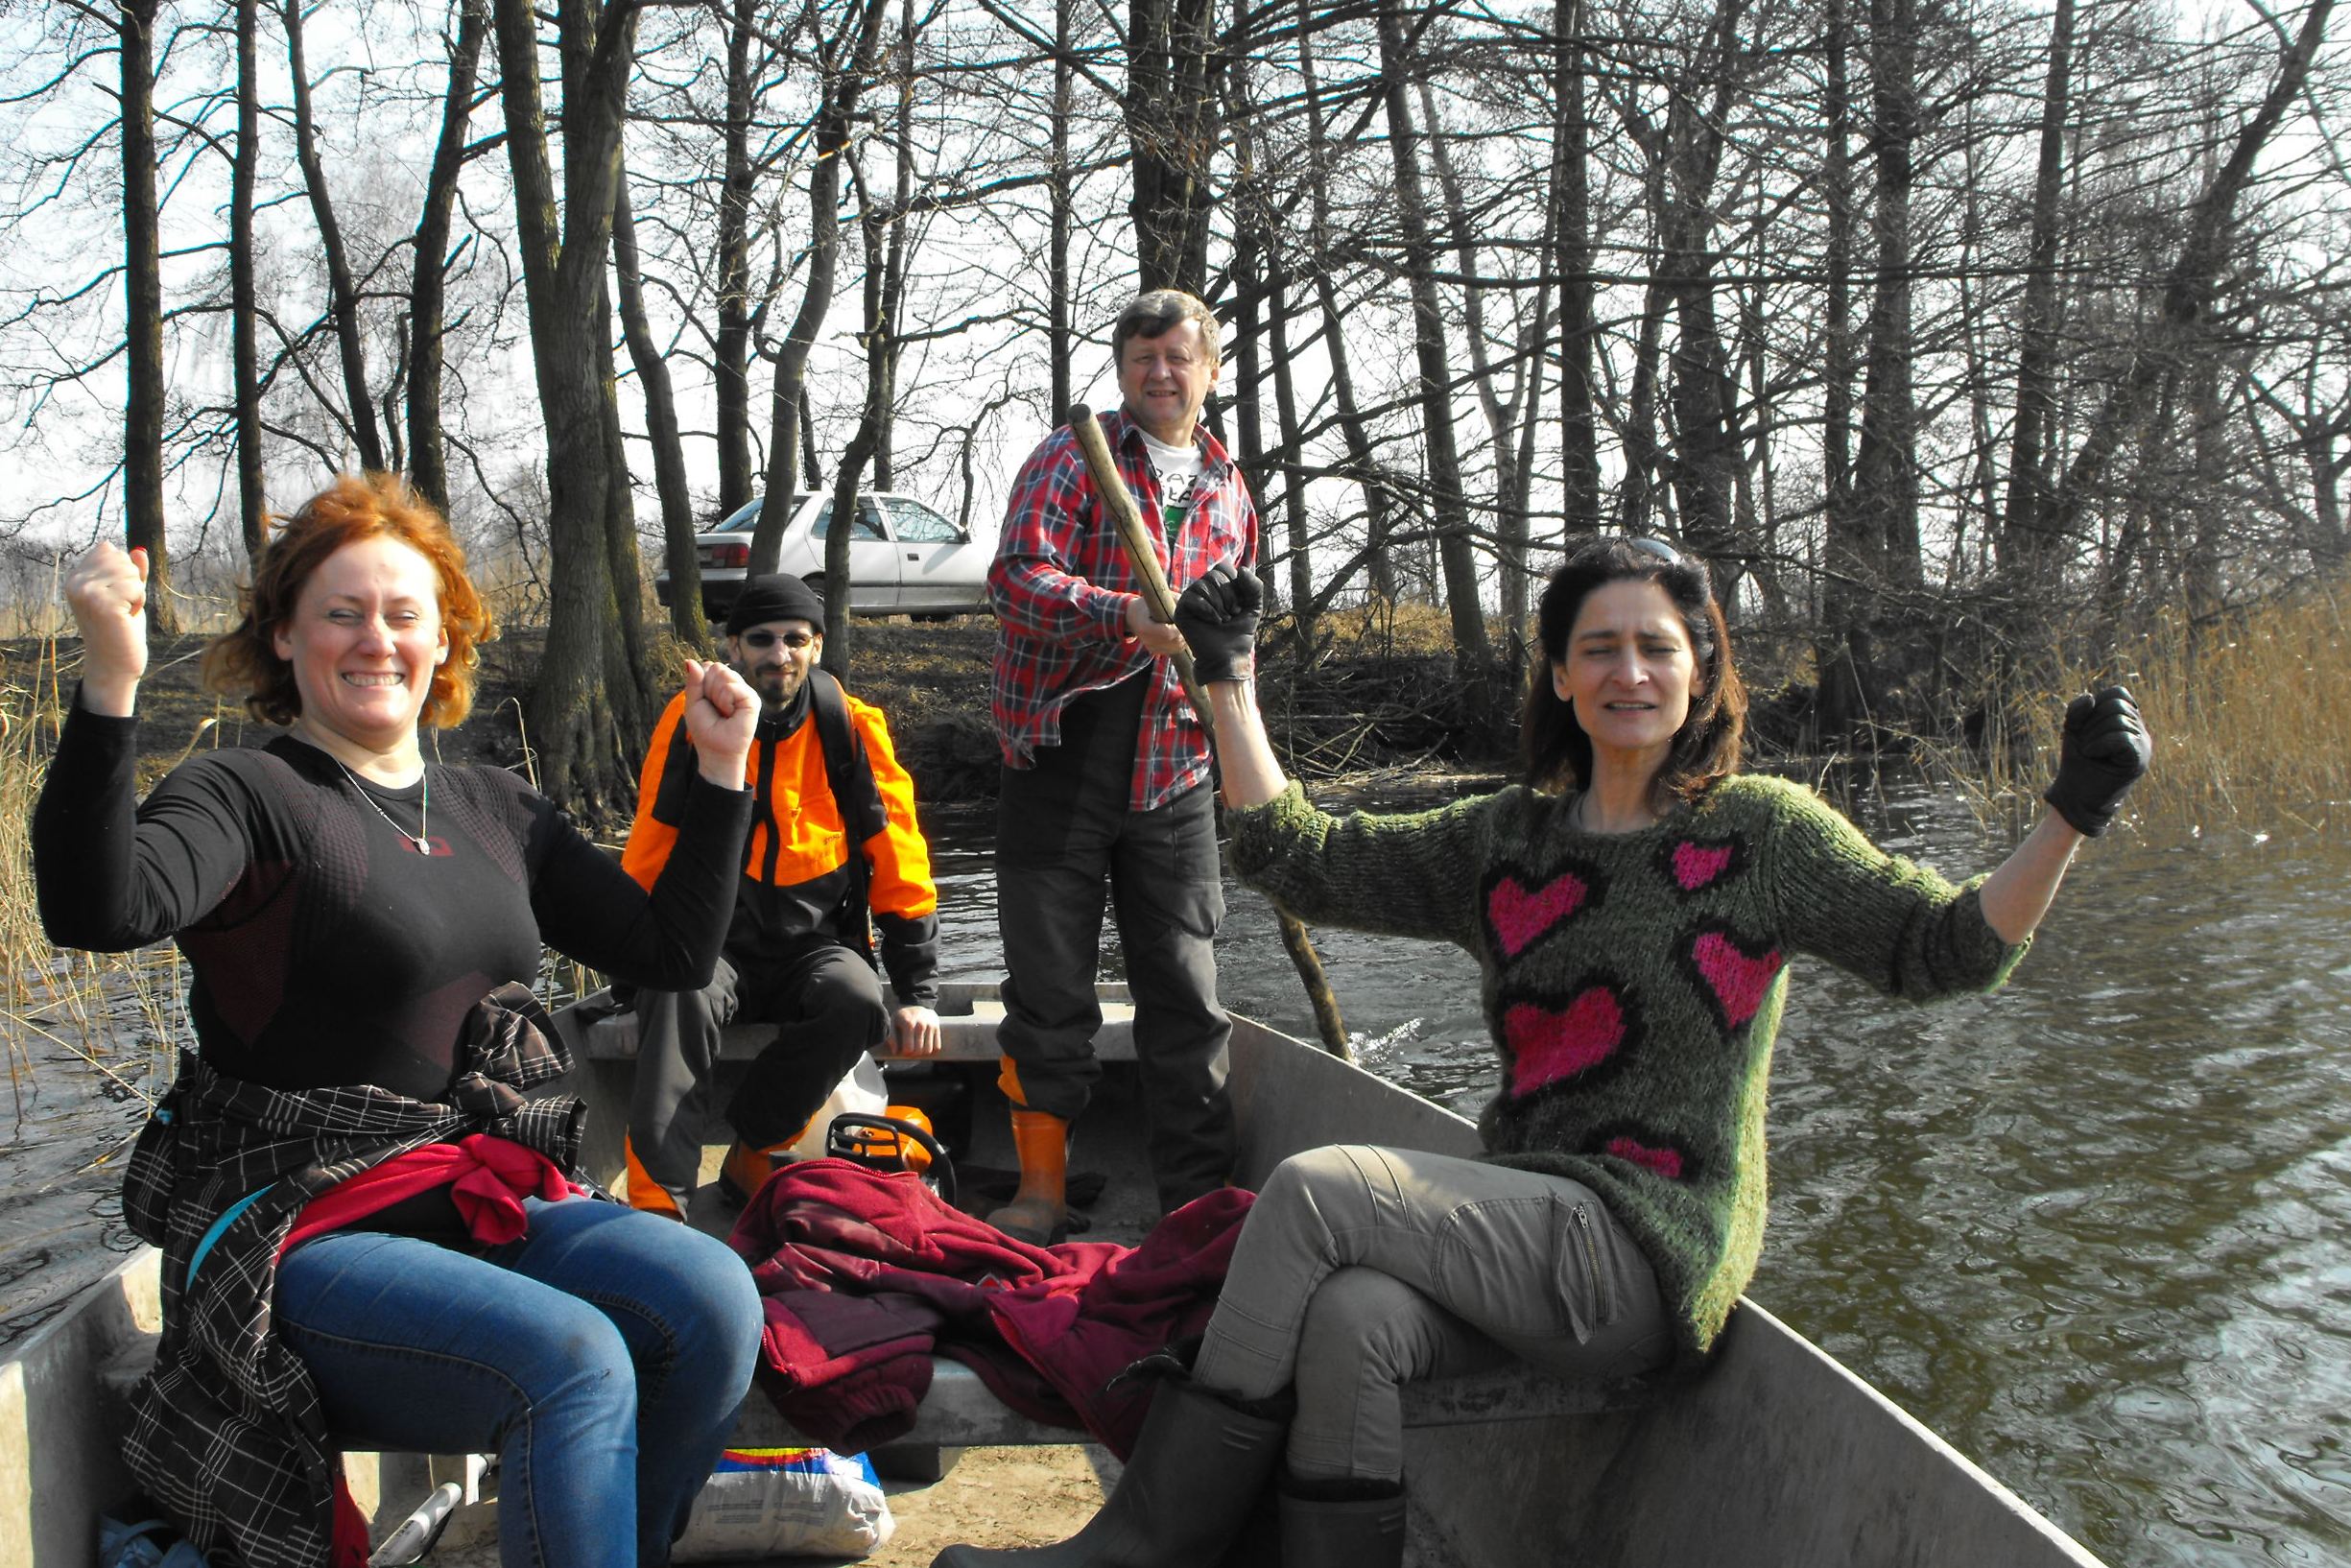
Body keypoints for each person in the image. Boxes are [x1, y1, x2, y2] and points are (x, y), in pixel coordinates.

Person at [936, 535, 2151, 1568]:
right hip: (1525, 1232)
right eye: (1599, 647)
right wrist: (1229, 678)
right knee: (1354, 1318)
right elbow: (1295, 852)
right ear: (1561, 676)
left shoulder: (1763, 836)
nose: (1628, 670)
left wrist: (2068, 815)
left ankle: (1143, 1543)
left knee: (1313, 1192)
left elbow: (1944, 949)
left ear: (1700, 669)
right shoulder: (1505, 839)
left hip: (1647, 1249)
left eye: (1656, 646)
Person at [35, 474, 767, 1568]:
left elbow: (669, 952)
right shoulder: (244, 792)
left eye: (403, 613)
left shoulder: (495, 807)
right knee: (576, 1357)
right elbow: (100, 910)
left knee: (714, 1294)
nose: (375, 639)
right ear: (283, 634)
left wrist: (720, 769)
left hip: (459, 1193)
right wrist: (108, 685)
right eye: (341, 611)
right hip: (296, 1230)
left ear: (443, 639)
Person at [985, 288, 1256, 1241]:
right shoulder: (1072, 456)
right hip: (1061, 746)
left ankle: (1194, 1204)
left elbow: (1233, 642)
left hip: (1177, 759)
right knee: (1050, 985)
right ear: (1123, 366)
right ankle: (1043, 1189)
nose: (1160, 371)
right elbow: (1014, 577)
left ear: (1208, 369)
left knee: (1186, 988)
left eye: (1178, 356)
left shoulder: (1229, 489)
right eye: (1142, 356)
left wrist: (1238, 735)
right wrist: (1119, 613)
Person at [619, 572, 943, 1216]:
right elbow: (651, 845)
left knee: (856, 1001)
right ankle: (657, 1209)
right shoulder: (688, 724)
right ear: (733, 647)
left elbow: (899, 856)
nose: (779, 654)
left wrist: (919, 994)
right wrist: (631, 967)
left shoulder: (850, 728)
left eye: (795, 639)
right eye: (761, 640)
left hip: (815, 950)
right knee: (673, 994)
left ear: (816, 646)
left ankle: (753, 1145)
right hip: (713, 948)